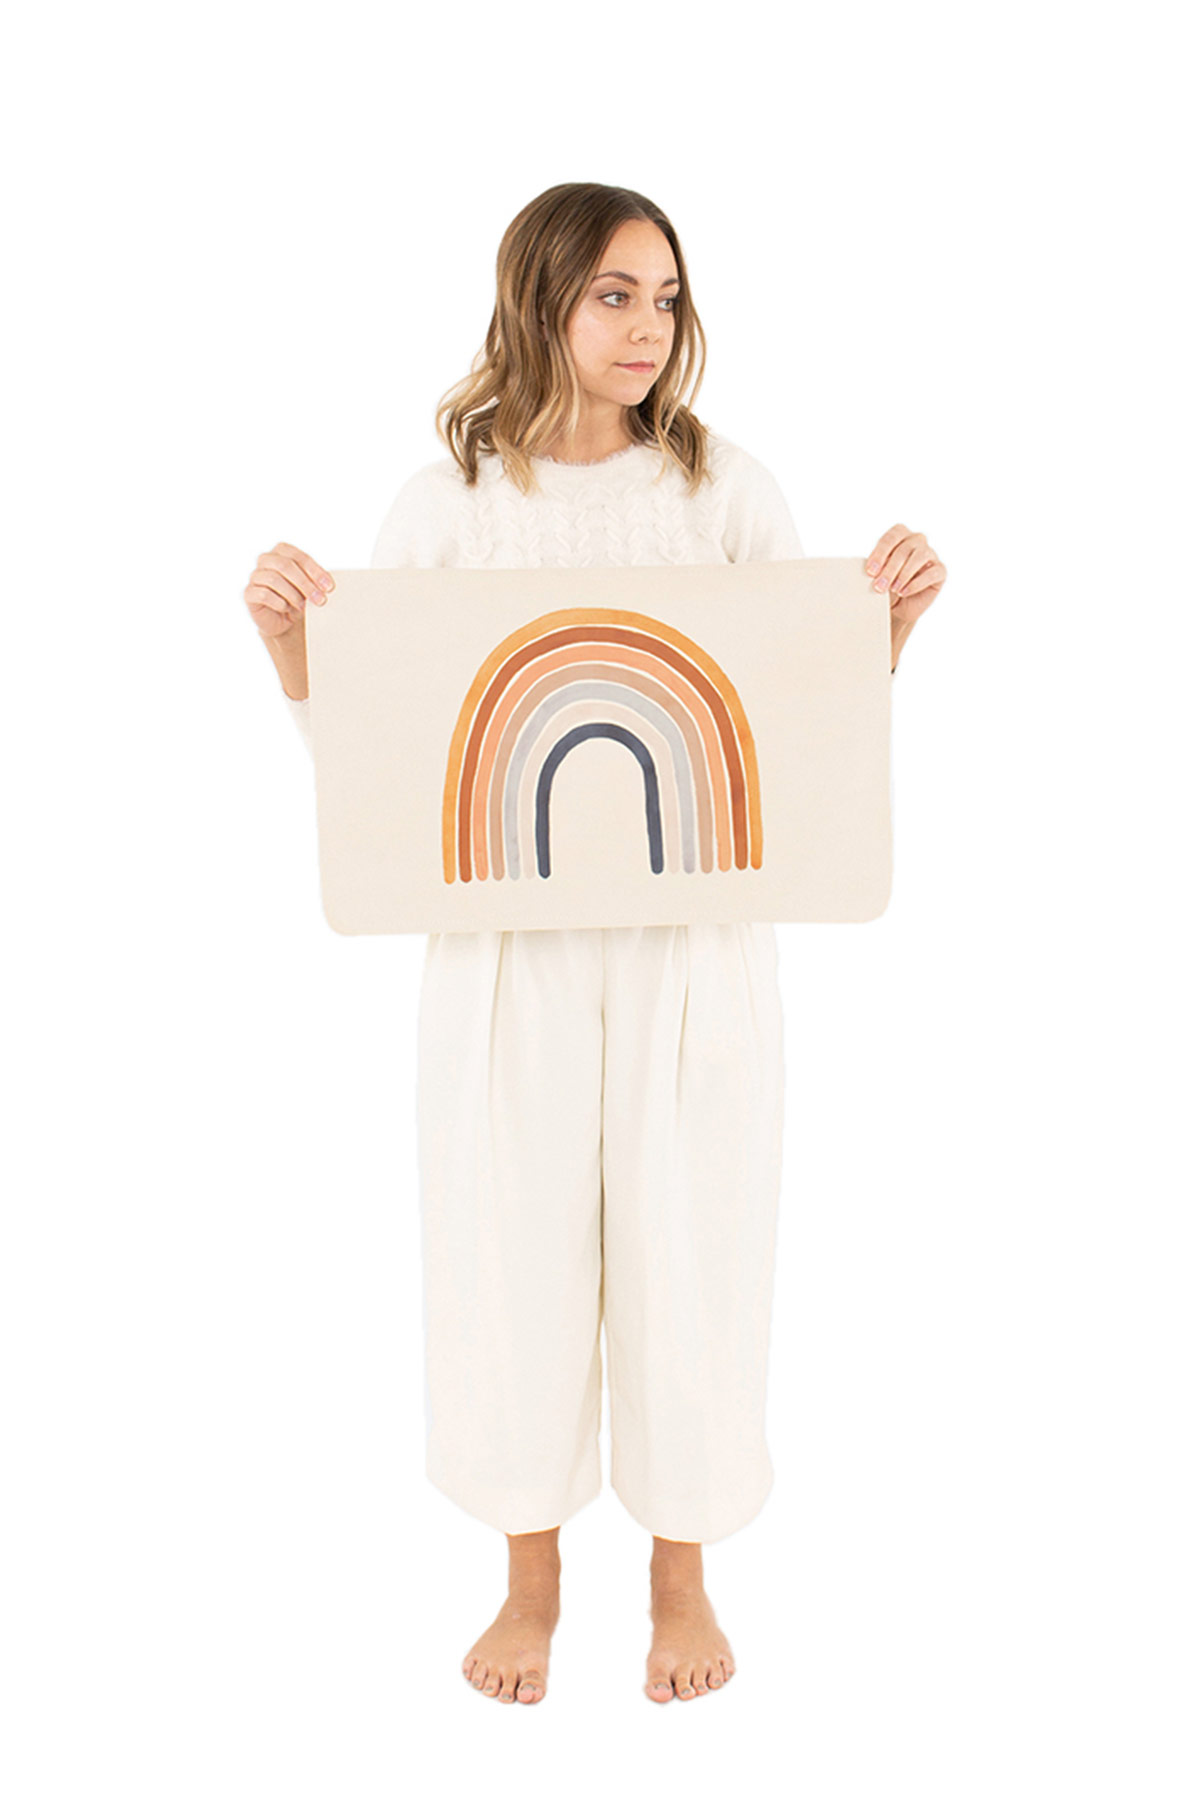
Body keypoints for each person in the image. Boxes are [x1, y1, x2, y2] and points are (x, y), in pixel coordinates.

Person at [243, 182, 946, 1708]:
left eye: (667, 298)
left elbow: (792, 727)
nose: (647, 327)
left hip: (697, 947)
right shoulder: (450, 504)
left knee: (700, 1241)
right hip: (506, 956)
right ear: (541, 298)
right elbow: (386, 766)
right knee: (508, 1242)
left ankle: (681, 1574)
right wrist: (295, 645)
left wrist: (883, 631)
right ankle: (532, 1572)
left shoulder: (726, 491)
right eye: (615, 294)